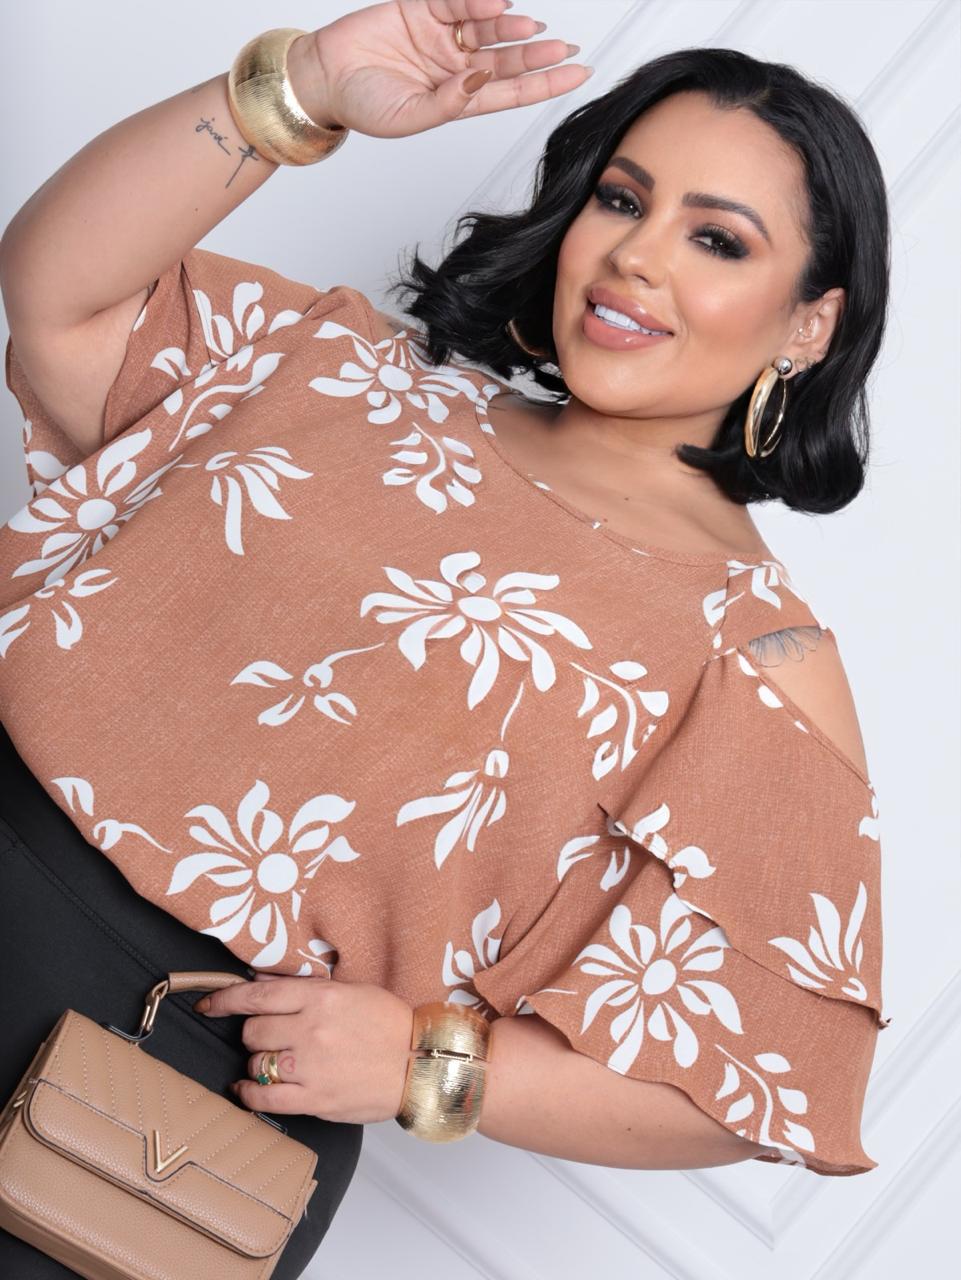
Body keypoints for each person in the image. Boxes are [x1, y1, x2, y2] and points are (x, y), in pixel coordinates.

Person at [0, 0, 893, 1273]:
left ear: (809, 322)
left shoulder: (752, 661)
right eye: (622, 200)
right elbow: (57, 296)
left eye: (715, 237)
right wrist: (303, 88)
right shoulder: (345, 370)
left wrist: (436, 1064)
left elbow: (768, 1081)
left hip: (155, 1091)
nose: (637, 257)